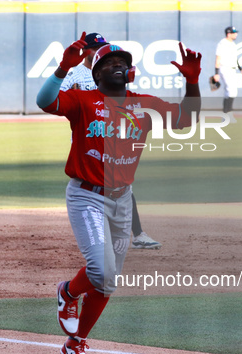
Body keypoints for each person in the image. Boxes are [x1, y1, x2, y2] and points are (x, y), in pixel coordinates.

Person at [36, 32, 202, 354]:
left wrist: (192, 83)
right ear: (96, 73)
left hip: (121, 201)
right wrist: (62, 68)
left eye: (122, 63)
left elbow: (187, 121)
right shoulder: (83, 100)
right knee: (101, 268)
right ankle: (68, 293)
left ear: (131, 72)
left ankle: (76, 344)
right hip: (87, 197)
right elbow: (45, 102)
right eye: (109, 62)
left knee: (108, 282)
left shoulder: (145, 104)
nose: (117, 65)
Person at [60, 32, 162, 250]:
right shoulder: (74, 73)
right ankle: (99, 234)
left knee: (122, 186)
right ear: (84, 51)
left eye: (102, 47)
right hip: (90, 136)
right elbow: (58, 98)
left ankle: (138, 233)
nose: (99, 50)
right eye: (94, 48)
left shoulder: (112, 71)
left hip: (117, 132)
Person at [213, 26, 242, 123]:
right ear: (228, 34)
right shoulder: (222, 43)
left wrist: (241, 69)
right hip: (225, 69)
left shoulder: (232, 44)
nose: (236, 34)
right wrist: (216, 73)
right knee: (232, 91)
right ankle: (228, 115)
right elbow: (218, 58)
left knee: (228, 92)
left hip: (232, 69)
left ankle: (225, 116)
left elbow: (234, 59)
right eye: (234, 32)